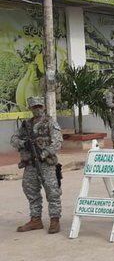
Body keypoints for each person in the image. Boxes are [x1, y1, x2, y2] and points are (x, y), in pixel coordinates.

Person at [10, 96, 63, 234]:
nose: (37, 109)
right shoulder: (26, 125)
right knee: (30, 190)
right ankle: (35, 219)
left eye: (39, 106)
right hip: (30, 164)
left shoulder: (50, 123)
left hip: (46, 164)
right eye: (34, 107)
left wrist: (44, 154)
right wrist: (23, 144)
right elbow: (13, 139)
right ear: (30, 108)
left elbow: (57, 142)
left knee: (52, 191)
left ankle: (55, 220)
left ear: (43, 107)